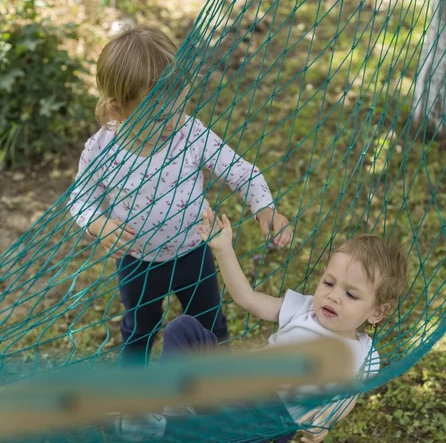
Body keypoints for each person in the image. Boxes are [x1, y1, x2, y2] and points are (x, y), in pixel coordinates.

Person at [69, 25, 292, 364]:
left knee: (210, 328)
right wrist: (99, 224)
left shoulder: (189, 134)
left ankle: (216, 393)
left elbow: (240, 170)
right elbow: (79, 198)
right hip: (138, 261)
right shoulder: (101, 151)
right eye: (160, 115)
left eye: (181, 104)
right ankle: (134, 406)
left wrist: (265, 208)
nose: (174, 121)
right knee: (139, 332)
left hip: (194, 252)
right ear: (117, 109)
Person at [116, 209, 408, 443]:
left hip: (266, 416)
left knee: (226, 420)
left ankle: (167, 424)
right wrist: (223, 249)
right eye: (329, 283)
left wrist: (326, 420)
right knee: (183, 328)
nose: (333, 296)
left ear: (376, 312)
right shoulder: (304, 309)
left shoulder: (364, 355)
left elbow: (348, 396)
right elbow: (248, 299)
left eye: (351, 295)